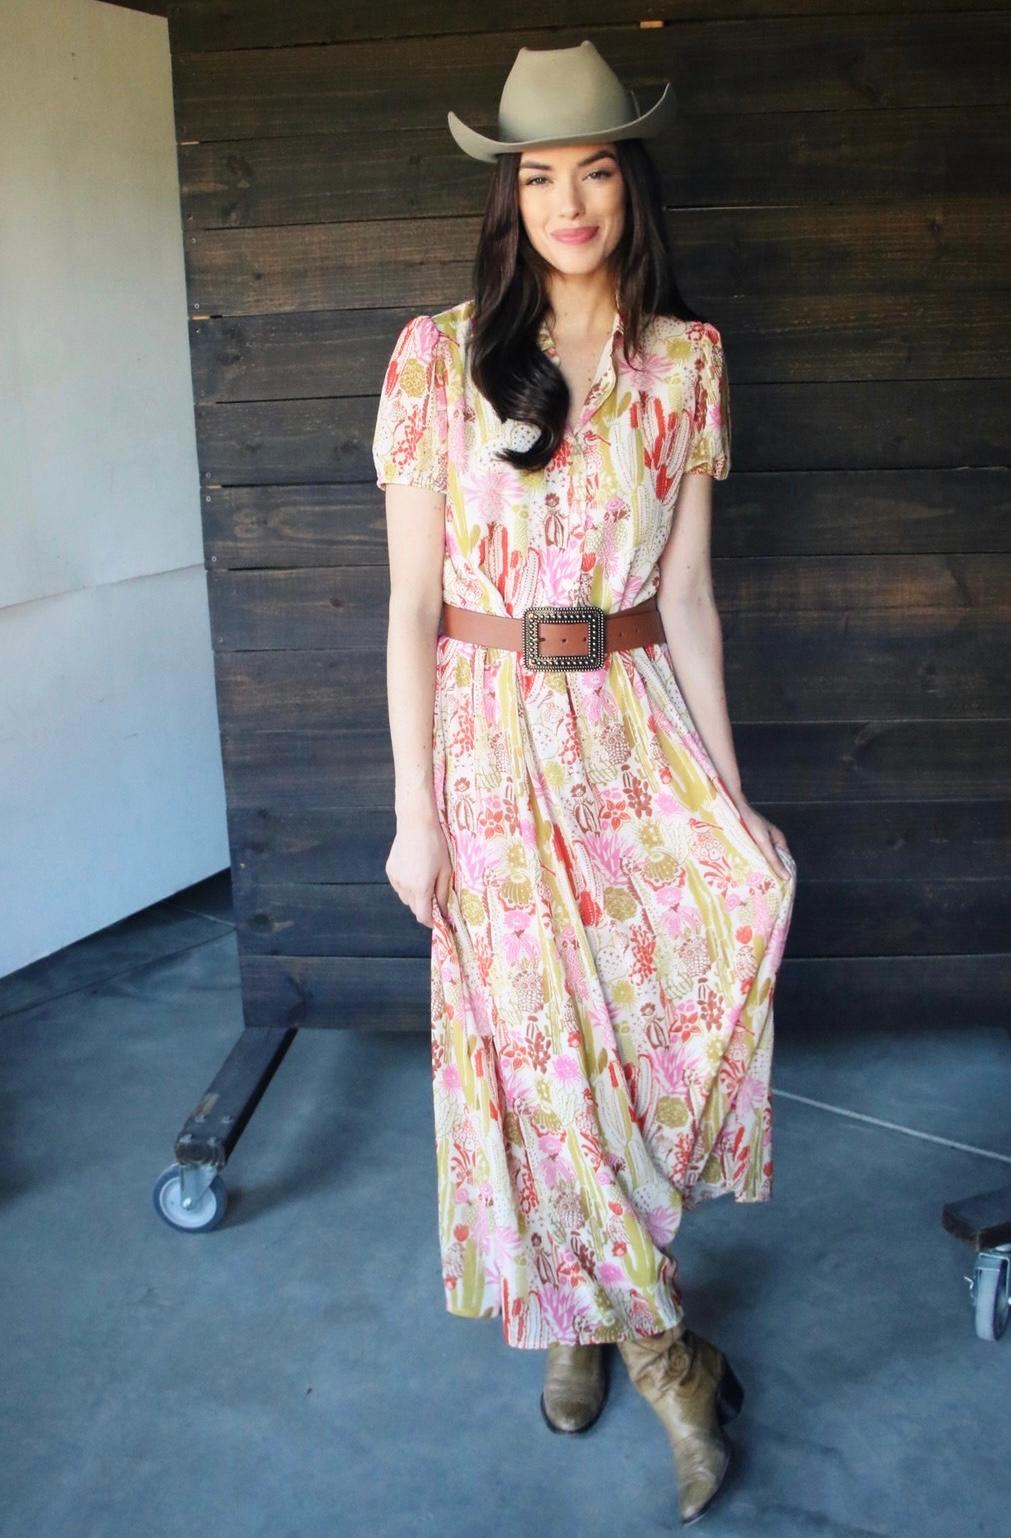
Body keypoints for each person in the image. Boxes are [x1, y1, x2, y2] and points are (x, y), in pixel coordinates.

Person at [371, 38, 797, 1526]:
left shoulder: (685, 363)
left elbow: (688, 598)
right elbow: (410, 608)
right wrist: (416, 813)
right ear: (509, 195)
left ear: (630, 185)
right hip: (489, 744)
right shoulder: (436, 358)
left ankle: (598, 1297)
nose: (569, 202)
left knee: (640, 1019)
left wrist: (729, 795)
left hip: (633, 727)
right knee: (534, 1051)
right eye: (539, 175)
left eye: (596, 170)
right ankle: (655, 1350)